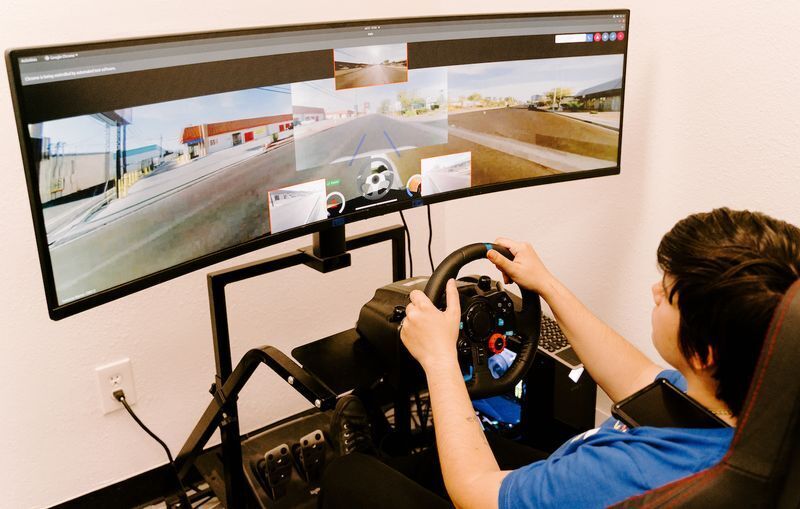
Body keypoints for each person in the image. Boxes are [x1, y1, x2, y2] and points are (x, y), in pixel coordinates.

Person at [320, 208, 800, 509]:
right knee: (427, 461)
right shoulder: (755, 398)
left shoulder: (627, 473)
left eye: (669, 292)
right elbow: (638, 379)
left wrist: (439, 358)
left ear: (704, 352)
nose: (655, 290)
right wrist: (546, 285)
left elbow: (476, 493)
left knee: (350, 475)